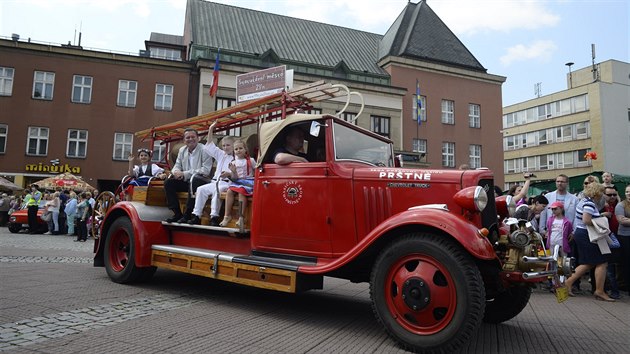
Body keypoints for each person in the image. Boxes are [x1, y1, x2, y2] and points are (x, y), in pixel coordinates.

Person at [564, 182, 615, 301]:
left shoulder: (584, 201)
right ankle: (599, 290)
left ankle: (569, 282)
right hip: (587, 234)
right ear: (597, 193)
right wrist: (600, 222)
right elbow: (586, 220)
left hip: (582, 234)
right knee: (600, 262)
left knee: (590, 262)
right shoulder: (589, 204)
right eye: (601, 192)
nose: (603, 195)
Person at [189, 122, 235, 226]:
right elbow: (210, 144)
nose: (225, 147)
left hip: (227, 183)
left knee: (217, 192)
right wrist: (211, 129)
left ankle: (214, 217)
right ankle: (196, 215)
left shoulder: (236, 157)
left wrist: (228, 174)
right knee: (200, 189)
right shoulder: (220, 154)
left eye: (228, 145)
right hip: (215, 182)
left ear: (233, 145)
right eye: (223, 145)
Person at [164, 128, 213, 223]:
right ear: (184, 140)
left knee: (193, 181)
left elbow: (206, 170)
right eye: (188, 137)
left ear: (198, 138)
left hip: (200, 182)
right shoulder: (182, 150)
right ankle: (177, 213)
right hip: (186, 181)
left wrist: (185, 174)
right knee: (168, 183)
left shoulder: (205, 150)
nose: (190, 139)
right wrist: (176, 172)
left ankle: (187, 215)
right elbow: (177, 166)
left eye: (193, 137)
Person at [219, 139, 256, 228]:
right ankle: (227, 216)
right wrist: (233, 172)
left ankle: (241, 217)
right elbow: (234, 178)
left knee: (241, 192)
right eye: (236, 149)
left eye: (240, 148)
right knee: (229, 191)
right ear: (234, 151)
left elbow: (256, 172)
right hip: (237, 181)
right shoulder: (233, 163)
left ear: (245, 150)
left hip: (248, 182)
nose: (238, 150)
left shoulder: (251, 160)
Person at [603, 186, 621, 299]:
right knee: (608, 268)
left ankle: (615, 290)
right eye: (609, 195)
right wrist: (603, 214)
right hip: (606, 239)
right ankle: (612, 290)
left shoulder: (619, 205)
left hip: (619, 238)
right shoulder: (601, 207)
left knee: (616, 266)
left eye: (614, 194)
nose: (612, 197)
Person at [615, 185, 630, 296]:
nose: (628, 193)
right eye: (627, 191)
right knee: (627, 262)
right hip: (625, 237)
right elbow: (622, 221)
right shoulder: (621, 205)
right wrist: (626, 220)